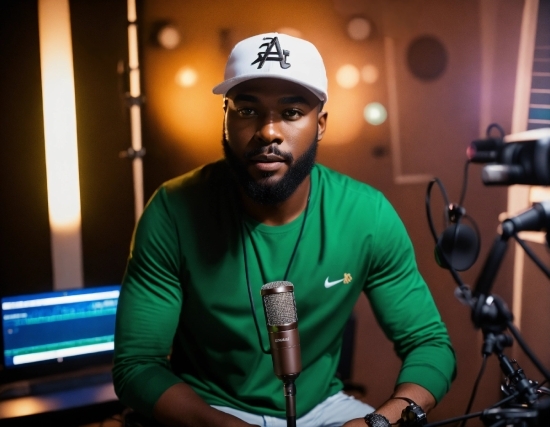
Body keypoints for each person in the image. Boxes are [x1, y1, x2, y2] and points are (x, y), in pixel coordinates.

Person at [113, 32, 456, 427]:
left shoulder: (367, 215)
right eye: (247, 110)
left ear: (321, 124)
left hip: (323, 409)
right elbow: (136, 365)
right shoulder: (174, 209)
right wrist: (222, 426)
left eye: (292, 113)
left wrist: (377, 423)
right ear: (224, 119)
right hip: (208, 411)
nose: (268, 132)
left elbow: (431, 346)